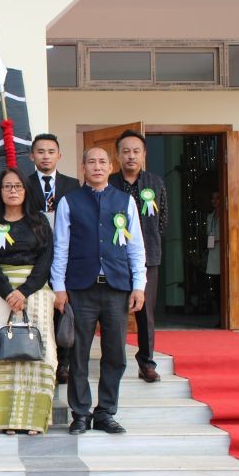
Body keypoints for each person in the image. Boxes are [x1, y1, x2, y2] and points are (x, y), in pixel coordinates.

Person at [52, 147, 146, 435]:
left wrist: (139, 285)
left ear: (110, 166)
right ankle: (80, 413)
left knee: (115, 353)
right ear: (83, 167)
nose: (97, 166)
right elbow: (61, 246)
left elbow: (135, 246)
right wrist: (59, 287)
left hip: (117, 287)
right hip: (80, 288)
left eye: (102, 162)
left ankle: (105, 412)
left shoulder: (125, 201)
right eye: (91, 162)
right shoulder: (69, 201)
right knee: (78, 353)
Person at [0, 168, 55, 435]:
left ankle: (34, 420)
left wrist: (24, 291)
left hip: (35, 291)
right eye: (7, 186)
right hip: (1, 293)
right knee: (4, 351)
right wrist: (7, 292)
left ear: (26, 190)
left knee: (41, 352)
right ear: (0, 192)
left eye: (18, 186)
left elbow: (46, 260)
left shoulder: (39, 221)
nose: (13, 191)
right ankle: (8, 420)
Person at [108, 129, 168, 383]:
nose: (131, 156)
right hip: (114, 258)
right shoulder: (109, 183)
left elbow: (162, 220)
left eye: (136, 151)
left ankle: (147, 363)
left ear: (144, 154)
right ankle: (114, 362)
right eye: (126, 152)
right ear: (118, 156)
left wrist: (145, 243)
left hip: (148, 257)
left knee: (145, 313)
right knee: (114, 312)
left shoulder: (155, 183)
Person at [26, 133, 80, 385]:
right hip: (34, 254)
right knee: (39, 307)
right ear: (32, 156)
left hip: (65, 255)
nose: (46, 156)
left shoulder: (73, 185)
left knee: (63, 307)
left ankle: (64, 363)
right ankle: (39, 357)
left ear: (59, 155)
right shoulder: (24, 184)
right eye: (40, 151)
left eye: (50, 152)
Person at [205, 190, 221, 317]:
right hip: (213, 252)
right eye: (213, 198)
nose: (215, 200)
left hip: (222, 251)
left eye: (217, 198)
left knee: (222, 286)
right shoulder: (210, 216)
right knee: (216, 287)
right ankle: (220, 316)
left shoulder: (226, 214)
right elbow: (209, 234)